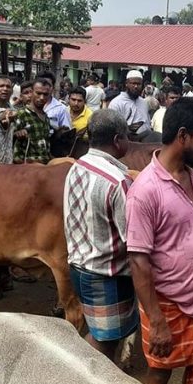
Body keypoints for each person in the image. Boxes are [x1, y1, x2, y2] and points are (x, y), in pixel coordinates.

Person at [126, 97, 193, 384]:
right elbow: (139, 260)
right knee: (159, 373)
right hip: (168, 303)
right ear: (183, 136)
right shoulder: (145, 191)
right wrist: (156, 322)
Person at [65, 109, 136, 361]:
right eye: (127, 136)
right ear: (118, 140)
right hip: (107, 275)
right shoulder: (119, 181)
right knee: (106, 342)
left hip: (79, 267)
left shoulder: (77, 167)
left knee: (98, 333)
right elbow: (134, 240)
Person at [13, 78, 53, 164]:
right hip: (26, 167)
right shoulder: (21, 114)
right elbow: (9, 138)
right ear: (31, 92)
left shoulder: (46, 117)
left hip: (43, 166)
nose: (42, 98)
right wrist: (17, 133)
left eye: (45, 94)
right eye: (38, 93)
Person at [109, 70, 152, 138]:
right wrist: (128, 129)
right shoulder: (116, 103)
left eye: (139, 84)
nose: (136, 86)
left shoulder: (143, 102)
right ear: (126, 83)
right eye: (133, 83)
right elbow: (112, 129)